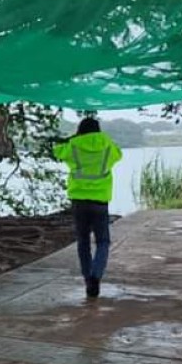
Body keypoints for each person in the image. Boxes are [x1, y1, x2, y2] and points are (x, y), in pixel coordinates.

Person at [53, 117, 122, 299]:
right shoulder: (107, 144)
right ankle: (96, 276)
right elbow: (118, 154)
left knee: (83, 241)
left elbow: (57, 151)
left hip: (79, 201)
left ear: (80, 130)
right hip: (100, 201)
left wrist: (70, 139)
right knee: (103, 242)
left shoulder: (74, 145)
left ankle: (87, 278)